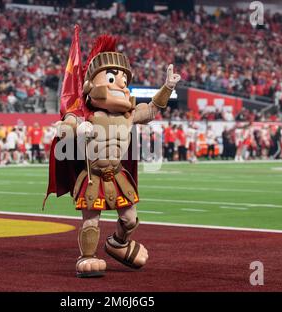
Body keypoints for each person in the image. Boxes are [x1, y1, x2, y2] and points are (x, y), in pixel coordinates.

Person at [45, 32, 181, 278]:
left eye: (123, 79)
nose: (120, 84)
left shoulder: (129, 115)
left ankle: (118, 243)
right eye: (112, 77)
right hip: (93, 175)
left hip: (117, 175)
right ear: (90, 85)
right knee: (90, 222)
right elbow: (63, 127)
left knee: (130, 219)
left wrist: (167, 87)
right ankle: (87, 257)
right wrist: (74, 129)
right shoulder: (85, 114)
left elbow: (151, 110)